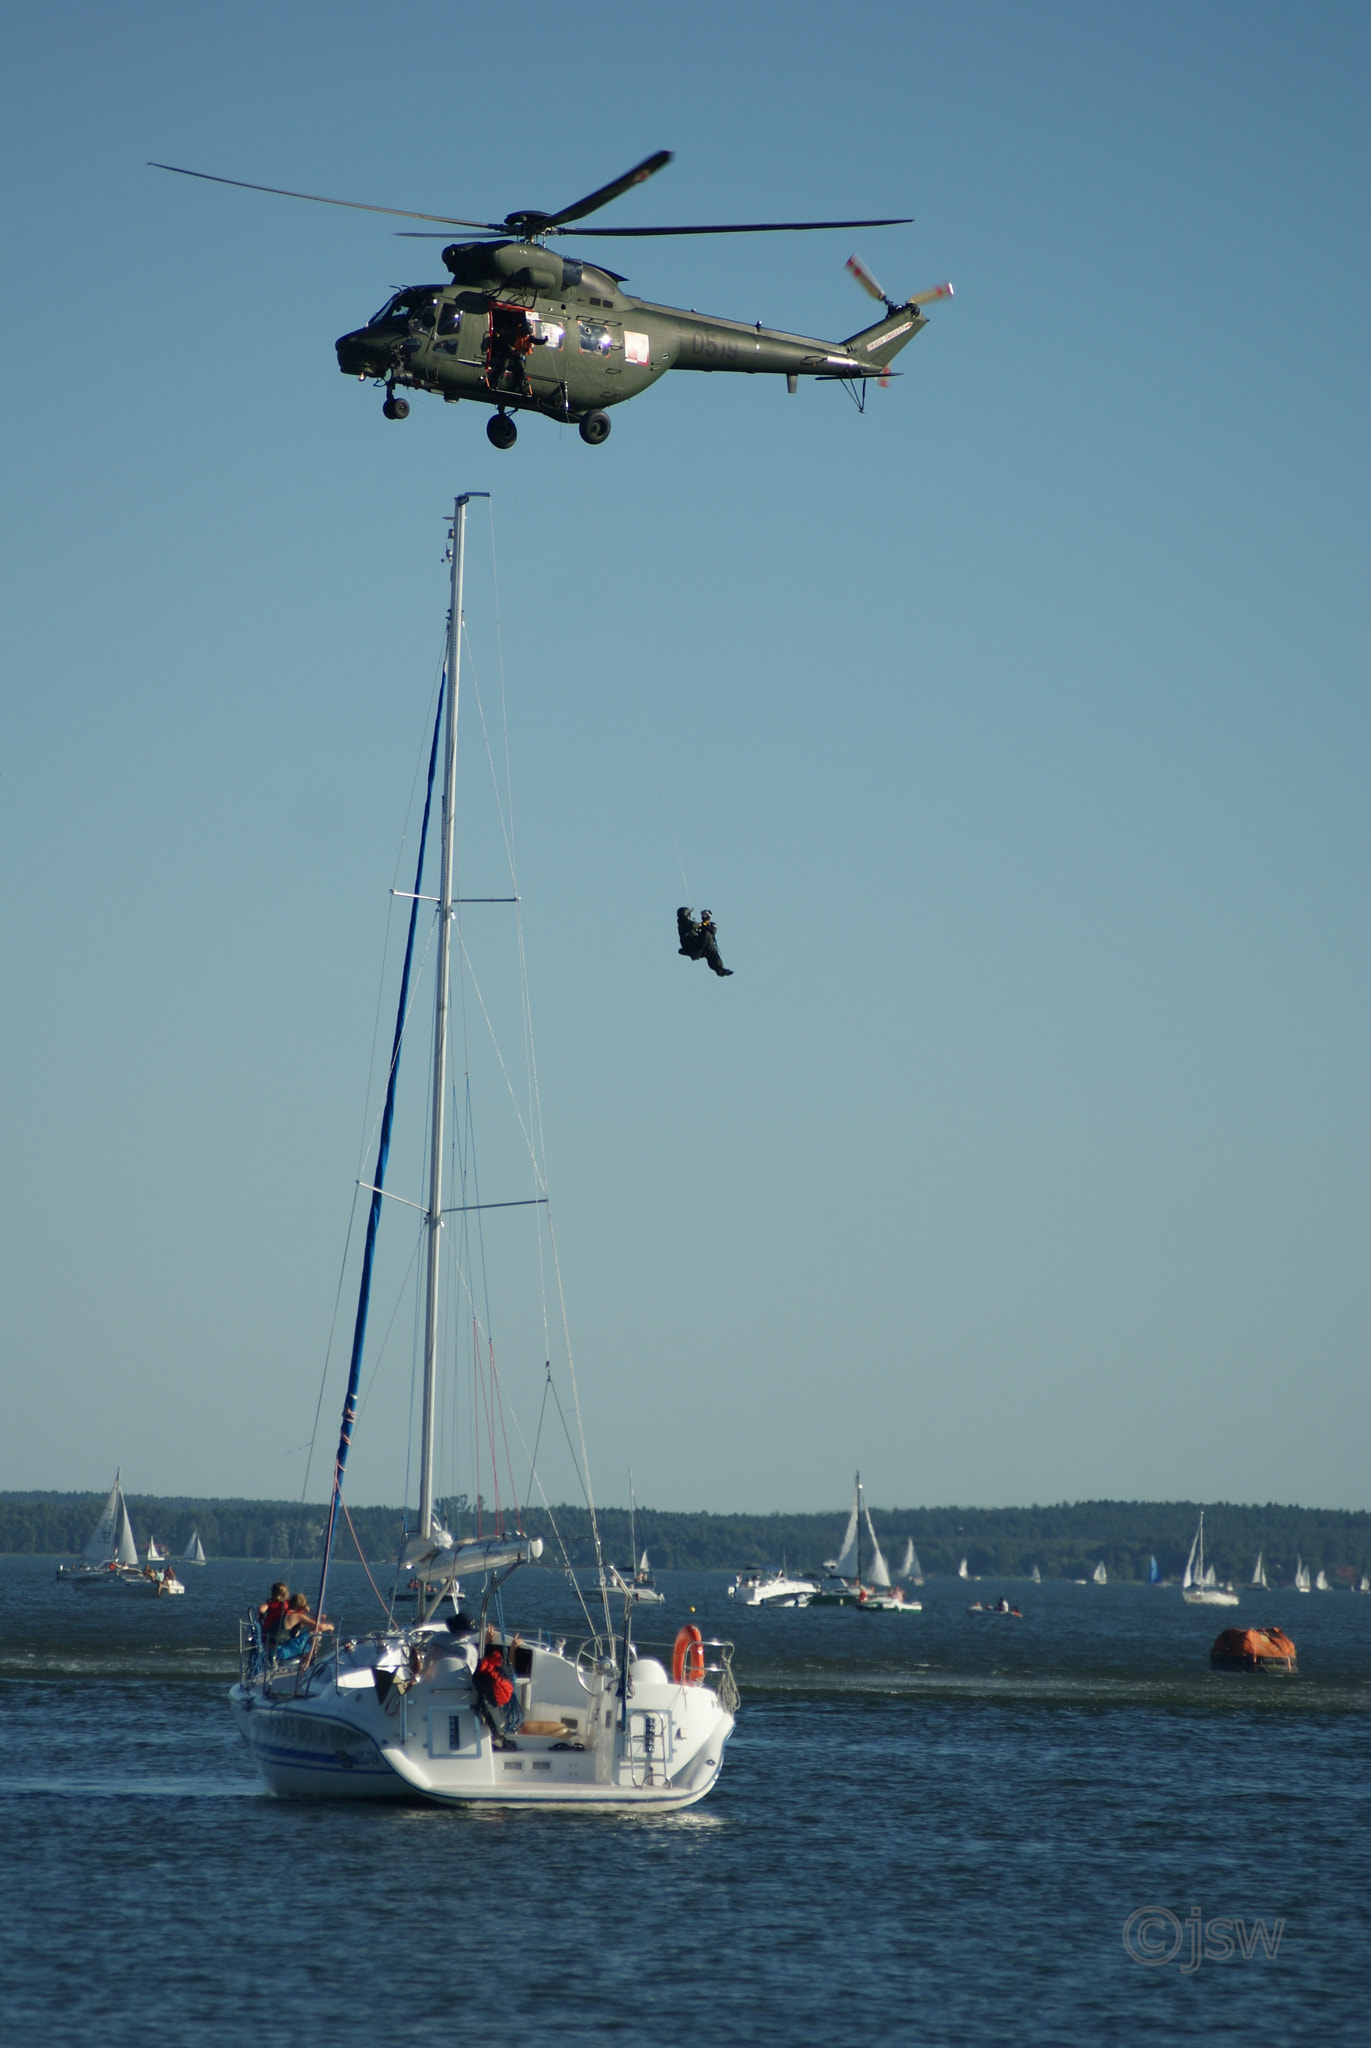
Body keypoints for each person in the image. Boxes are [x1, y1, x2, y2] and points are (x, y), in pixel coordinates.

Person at [473, 1633, 521, 1749]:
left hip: (485, 1705)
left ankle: (496, 1737)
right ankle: (499, 1738)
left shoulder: (481, 1673)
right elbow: (510, 1668)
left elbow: (476, 1662)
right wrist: (513, 1647)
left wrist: (486, 1641)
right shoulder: (505, 1678)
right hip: (501, 1709)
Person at [276, 1591, 333, 1665]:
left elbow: (307, 1623)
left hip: (276, 1648)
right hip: (283, 1651)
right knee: (316, 1632)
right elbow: (319, 1627)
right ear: (301, 1607)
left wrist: (316, 1619)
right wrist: (330, 1627)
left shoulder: (286, 1612)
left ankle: (305, 1659)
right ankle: (306, 1663)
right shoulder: (297, 1616)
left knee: (308, 1633)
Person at [676, 906, 733, 977]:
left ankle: (719, 970)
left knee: (710, 954)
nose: (703, 915)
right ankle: (719, 969)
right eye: (703, 913)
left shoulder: (709, 924)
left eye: (706, 913)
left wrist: (704, 925)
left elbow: (712, 930)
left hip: (696, 946)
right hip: (696, 947)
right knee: (711, 951)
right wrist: (702, 925)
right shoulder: (687, 923)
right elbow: (697, 925)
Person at [258, 1582, 289, 1649]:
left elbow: (261, 1609)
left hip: (269, 1634)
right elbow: (261, 1609)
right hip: (276, 1634)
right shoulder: (286, 1604)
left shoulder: (270, 1603)